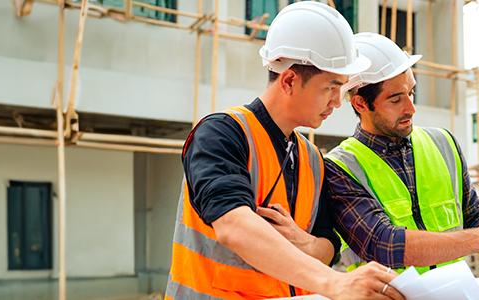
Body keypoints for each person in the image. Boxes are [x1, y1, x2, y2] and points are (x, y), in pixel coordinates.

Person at [166, 3, 403, 300]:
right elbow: (233, 224)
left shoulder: (313, 159)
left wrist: (308, 245)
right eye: (331, 88)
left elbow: (328, 244)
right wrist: (335, 283)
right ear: (289, 80)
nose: (337, 102)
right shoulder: (221, 134)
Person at [325, 32, 479, 275]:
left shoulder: (444, 142)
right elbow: (385, 244)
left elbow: (473, 217)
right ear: (361, 104)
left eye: (411, 93)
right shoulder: (339, 167)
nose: (411, 108)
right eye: (396, 99)